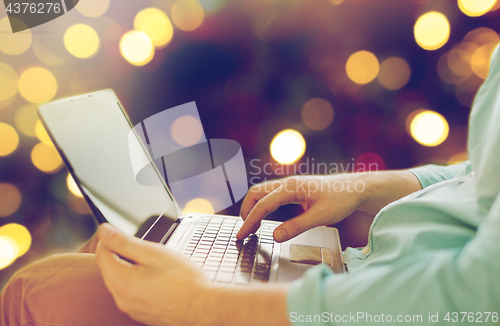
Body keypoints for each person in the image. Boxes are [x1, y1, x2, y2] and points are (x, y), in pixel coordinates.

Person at [2, 45, 500, 326]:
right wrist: (367, 187)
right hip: (373, 276)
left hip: (383, 302)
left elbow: (477, 299)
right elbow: (480, 177)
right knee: (110, 254)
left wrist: (205, 303)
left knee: (40, 290)